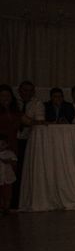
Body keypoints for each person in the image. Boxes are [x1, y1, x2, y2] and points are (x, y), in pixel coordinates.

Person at [15, 81, 45, 209]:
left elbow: (39, 122)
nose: (26, 93)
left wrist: (25, 119)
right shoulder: (14, 103)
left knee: (23, 169)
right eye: (24, 90)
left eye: (29, 90)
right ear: (19, 91)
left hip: (27, 140)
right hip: (12, 138)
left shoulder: (37, 103)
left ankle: (20, 199)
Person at [0, 134, 18, 214]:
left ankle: (7, 208)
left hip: (7, 178)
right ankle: (2, 207)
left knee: (7, 194)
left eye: (2, 144)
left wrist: (8, 161)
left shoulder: (10, 153)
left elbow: (14, 162)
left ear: (7, 144)